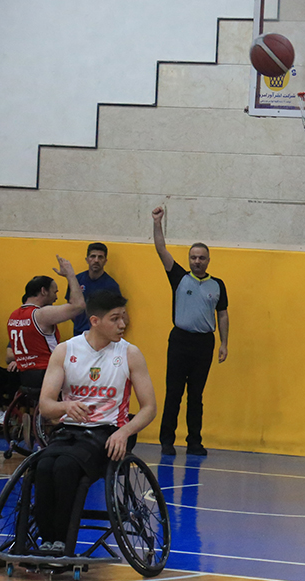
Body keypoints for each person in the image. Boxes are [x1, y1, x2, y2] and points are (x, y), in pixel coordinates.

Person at [36, 291, 157, 555]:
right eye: (115, 319)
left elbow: (149, 408)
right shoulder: (65, 350)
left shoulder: (130, 354)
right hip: (70, 430)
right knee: (43, 466)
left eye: (123, 317)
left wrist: (124, 432)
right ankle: (46, 540)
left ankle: (61, 542)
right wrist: (65, 406)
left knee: (66, 467)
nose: (122, 324)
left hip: (109, 431)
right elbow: (45, 405)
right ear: (95, 321)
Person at [151, 205, 229, 456]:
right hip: (180, 341)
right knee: (174, 393)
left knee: (196, 395)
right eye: (193, 257)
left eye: (201, 258)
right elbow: (161, 249)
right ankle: (167, 441)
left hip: (204, 343)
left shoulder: (217, 285)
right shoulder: (179, 277)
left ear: (208, 260)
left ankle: (194, 442)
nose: (197, 261)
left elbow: (222, 314)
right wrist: (157, 222)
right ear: (188, 259)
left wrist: (224, 343)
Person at [7, 256, 86, 392]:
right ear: (44, 291)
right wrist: (70, 275)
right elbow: (79, 306)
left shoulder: (13, 316)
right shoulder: (41, 315)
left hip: (25, 378)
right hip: (48, 375)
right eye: (55, 292)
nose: (56, 297)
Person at [66, 242, 122, 337]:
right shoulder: (76, 280)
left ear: (105, 261)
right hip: (78, 335)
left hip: (100, 336)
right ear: (87, 259)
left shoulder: (111, 285)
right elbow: (70, 306)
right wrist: (80, 323)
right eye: (93, 256)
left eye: (100, 257)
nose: (96, 260)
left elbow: (118, 313)